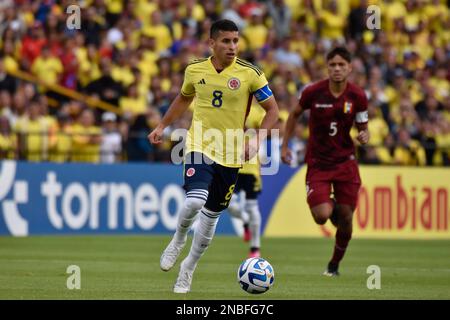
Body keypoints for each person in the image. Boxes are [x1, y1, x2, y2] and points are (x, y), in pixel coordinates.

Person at [148, 19, 279, 293]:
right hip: (199, 145)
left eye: (235, 41)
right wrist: (162, 125)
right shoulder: (195, 70)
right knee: (195, 200)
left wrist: (257, 140)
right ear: (212, 43)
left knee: (210, 218)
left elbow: (273, 112)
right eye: (226, 41)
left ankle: (188, 269)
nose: (232, 47)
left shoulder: (251, 73)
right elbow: (183, 99)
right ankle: (178, 239)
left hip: (232, 155)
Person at [281, 47, 370, 276]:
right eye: (333, 65)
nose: (337, 69)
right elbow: (293, 115)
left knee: (347, 219)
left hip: (345, 163)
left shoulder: (358, 96)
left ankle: (334, 265)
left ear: (350, 68)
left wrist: (364, 135)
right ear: (327, 67)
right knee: (321, 216)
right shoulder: (313, 92)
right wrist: (284, 145)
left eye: (342, 65)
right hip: (319, 163)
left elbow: (363, 126)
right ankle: (332, 208)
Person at [227, 156, 263, 258]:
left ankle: (255, 247)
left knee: (252, 207)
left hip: (251, 170)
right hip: (233, 167)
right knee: (228, 203)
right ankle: (245, 220)